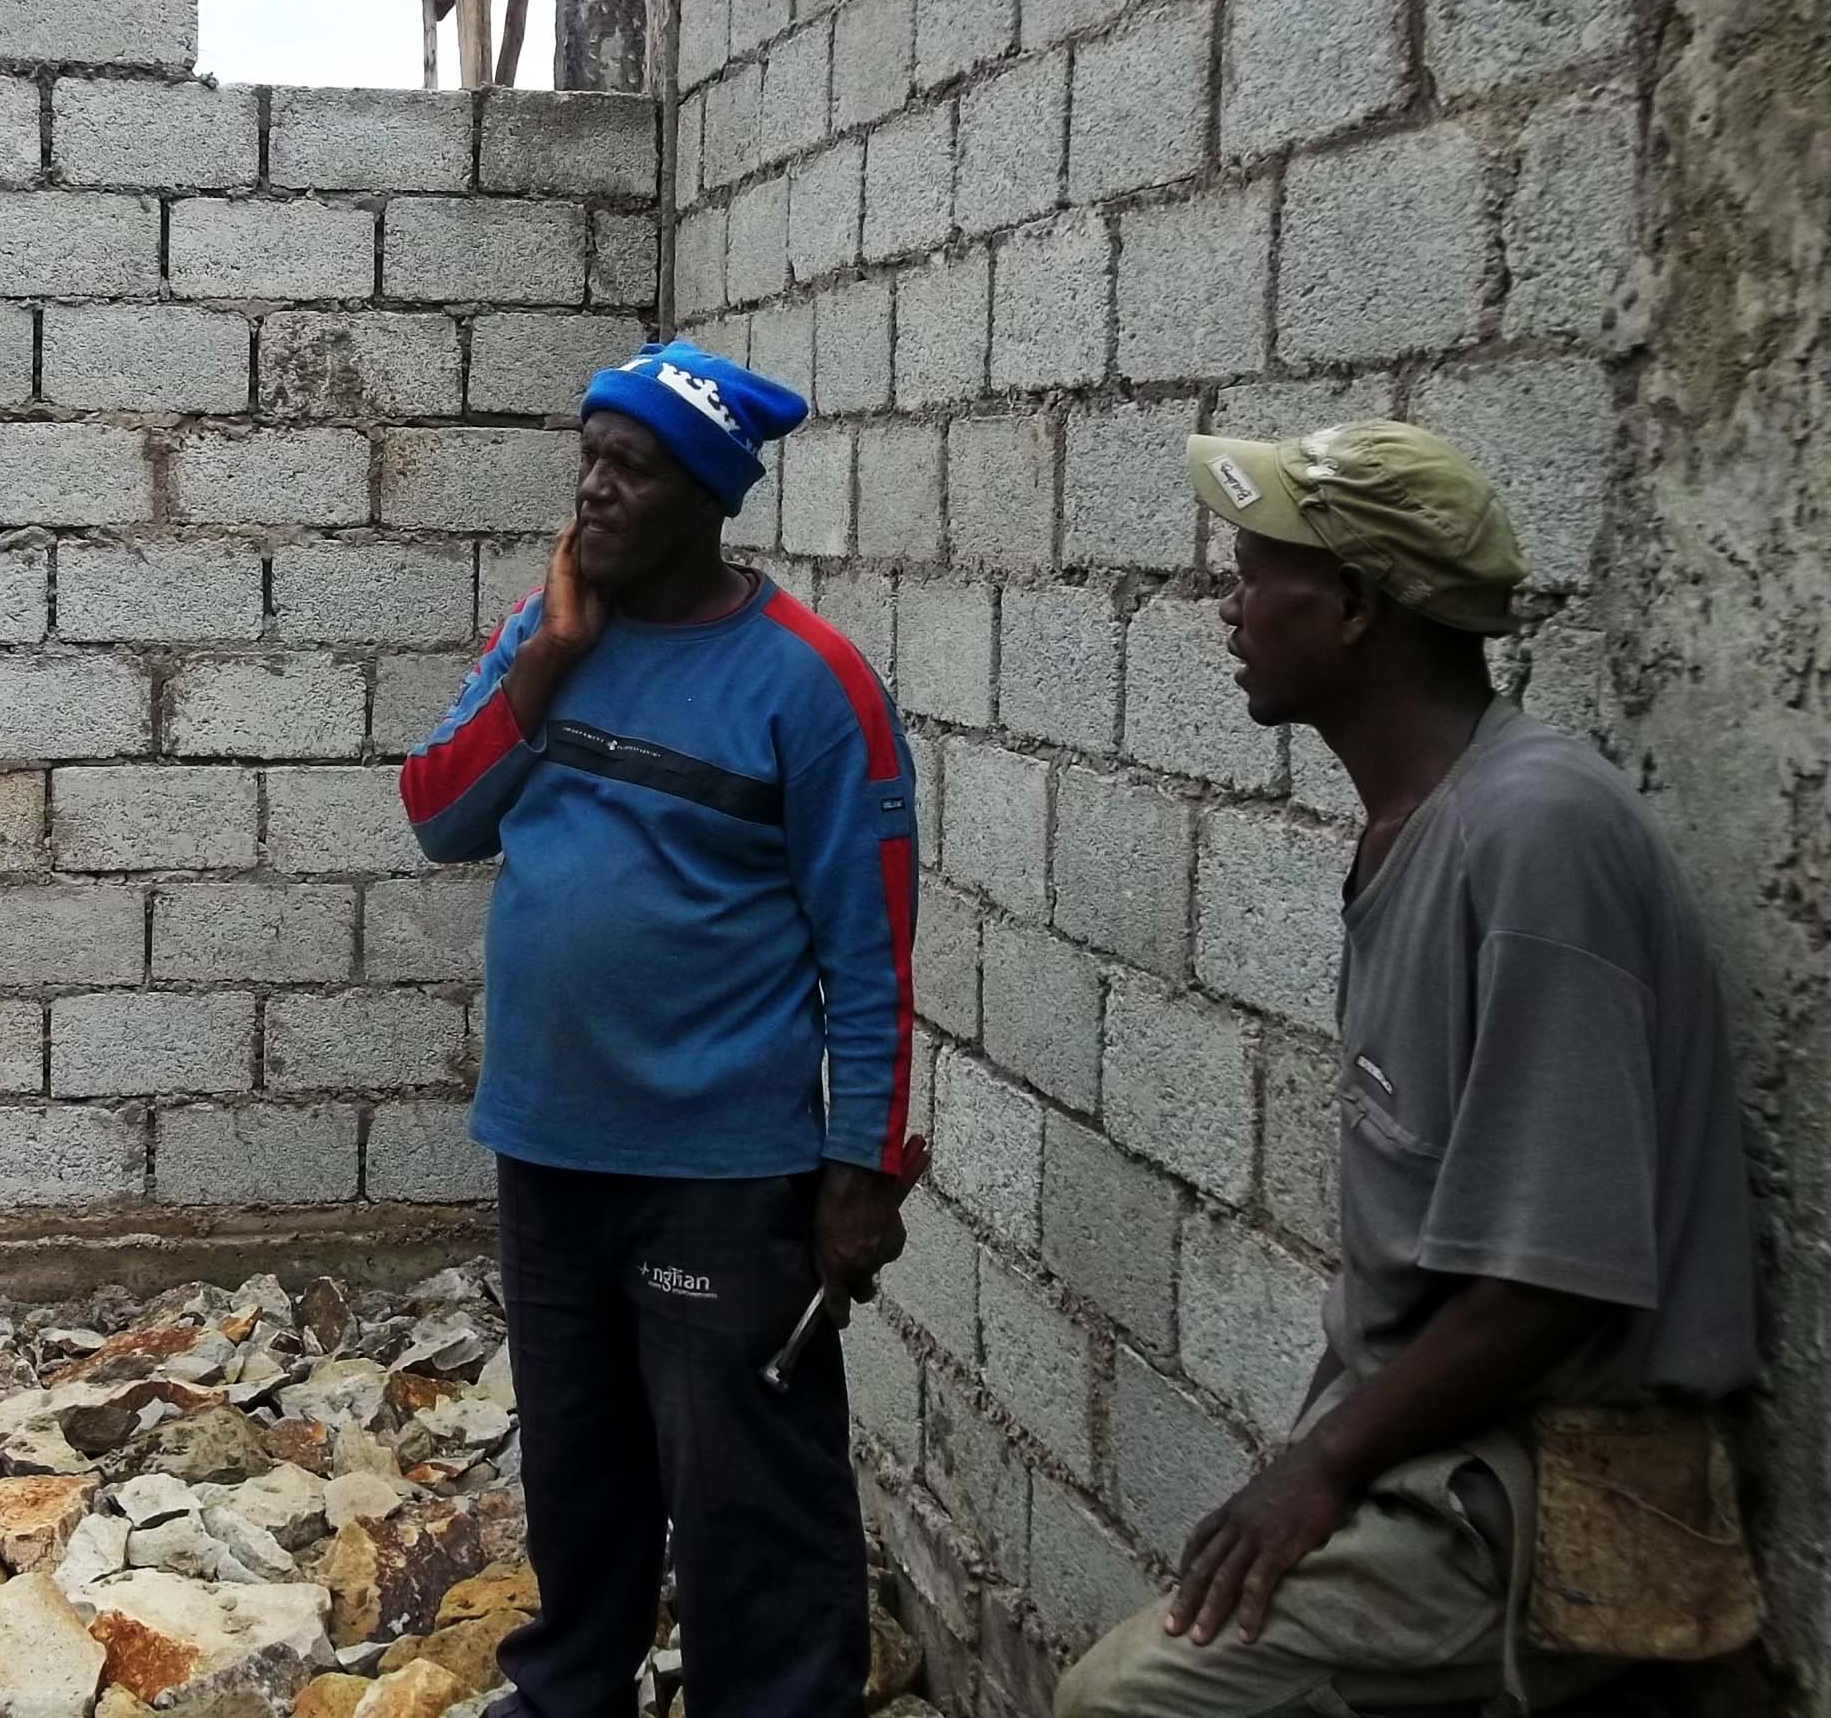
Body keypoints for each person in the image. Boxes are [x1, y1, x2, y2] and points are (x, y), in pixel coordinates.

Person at [1056, 421, 1761, 1718]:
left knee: (1123, 1699)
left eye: (1255, 575)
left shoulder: (1533, 834)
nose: (1229, 606)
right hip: (1446, 1450)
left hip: (1548, 1482)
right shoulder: (1422, 827)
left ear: (1355, 607)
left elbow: (1555, 1277)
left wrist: (1321, 1468)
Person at [400, 339, 921, 1717]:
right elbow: (438, 814)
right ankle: (569, 1695)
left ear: (706, 497)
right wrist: (548, 663)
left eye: (631, 468)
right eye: (589, 458)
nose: (594, 491)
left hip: (721, 1174)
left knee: (751, 1498)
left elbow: (871, 954)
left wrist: (862, 1170)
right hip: (547, 1144)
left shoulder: (812, 684)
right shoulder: (550, 631)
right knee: (579, 1475)